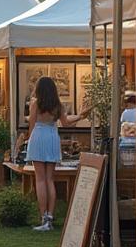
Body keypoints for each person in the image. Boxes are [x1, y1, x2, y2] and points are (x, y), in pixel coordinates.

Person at [15, 76, 90, 232]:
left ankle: (43, 217)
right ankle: (50, 216)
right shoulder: (58, 105)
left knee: (40, 179)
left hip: (39, 136)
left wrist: (28, 140)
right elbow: (66, 122)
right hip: (52, 137)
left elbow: (32, 124)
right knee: (50, 180)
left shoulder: (36, 103)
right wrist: (81, 115)